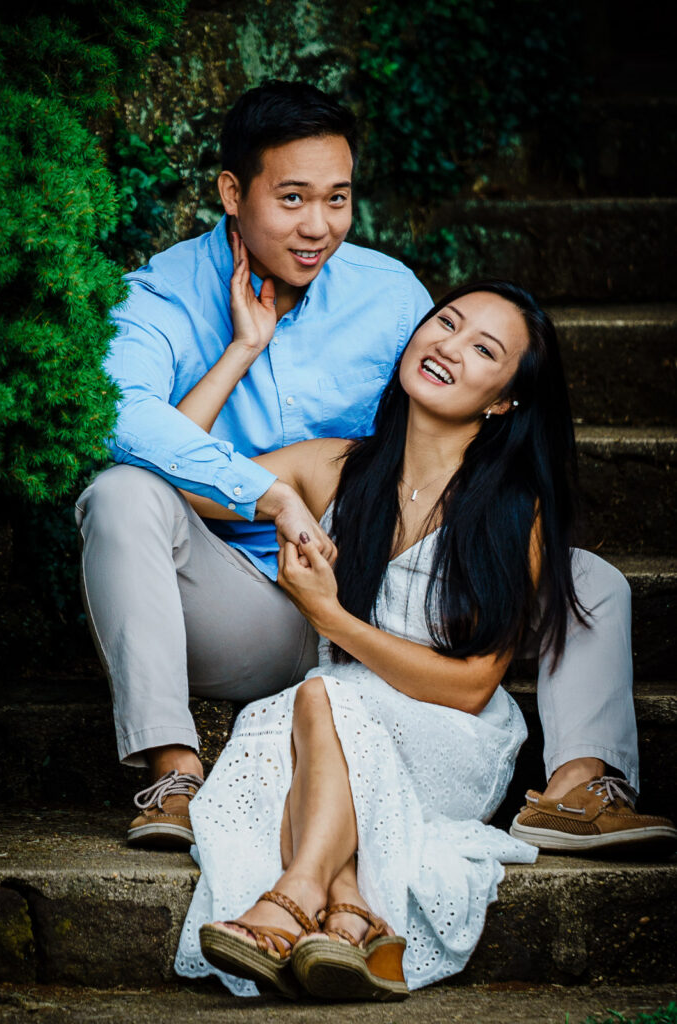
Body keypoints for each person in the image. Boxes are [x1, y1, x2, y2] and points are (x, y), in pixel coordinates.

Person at [76, 80, 648, 855]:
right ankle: (176, 773)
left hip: (393, 578)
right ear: (232, 192)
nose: (318, 227)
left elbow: (444, 427)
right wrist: (249, 387)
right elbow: (123, 418)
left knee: (596, 583)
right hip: (250, 599)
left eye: (338, 198)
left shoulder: (389, 296)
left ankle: (579, 788)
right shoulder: (165, 295)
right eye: (293, 199)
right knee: (120, 493)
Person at [173, 280, 676, 1001]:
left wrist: (332, 618)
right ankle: (349, 920)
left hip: (449, 738)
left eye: (483, 349)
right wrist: (247, 346)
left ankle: (293, 895)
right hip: (334, 715)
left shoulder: (511, 509)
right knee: (298, 709)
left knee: (319, 695)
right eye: (446, 322)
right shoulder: (335, 468)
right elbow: (181, 469)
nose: (448, 345)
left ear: (503, 400)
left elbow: (472, 686)